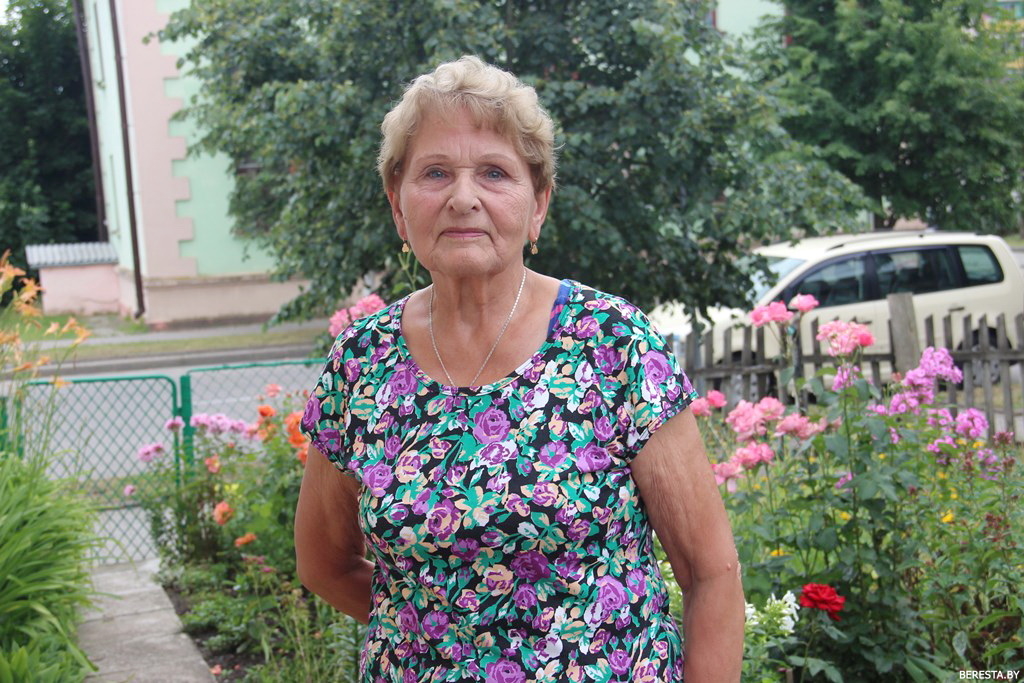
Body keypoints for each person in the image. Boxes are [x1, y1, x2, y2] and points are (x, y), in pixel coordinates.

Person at [295, 55, 744, 682]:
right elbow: (323, 564)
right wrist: (437, 631)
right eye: (435, 173)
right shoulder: (361, 362)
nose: (463, 198)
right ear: (398, 206)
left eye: (494, 173)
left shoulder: (612, 342)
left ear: (538, 206)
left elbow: (710, 574)